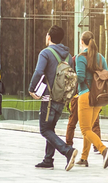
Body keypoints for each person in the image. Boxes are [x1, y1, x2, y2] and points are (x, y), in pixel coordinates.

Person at [29, 25, 78, 171]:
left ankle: (67, 151)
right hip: (61, 98)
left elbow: (39, 72)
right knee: (51, 128)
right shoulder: (68, 56)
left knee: (44, 129)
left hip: (48, 98)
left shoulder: (46, 53)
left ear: (49, 37)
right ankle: (48, 159)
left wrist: (31, 89)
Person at [75, 31, 108, 168]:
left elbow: (79, 77)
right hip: (98, 97)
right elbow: (106, 73)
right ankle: (84, 158)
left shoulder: (81, 57)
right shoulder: (101, 57)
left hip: (85, 94)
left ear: (82, 42)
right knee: (89, 128)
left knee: (85, 130)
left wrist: (71, 76)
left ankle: (104, 150)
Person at [65, 55, 102, 155]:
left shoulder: (77, 59)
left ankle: (69, 144)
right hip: (89, 94)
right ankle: (95, 148)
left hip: (81, 94)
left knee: (79, 124)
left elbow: (73, 77)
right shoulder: (96, 58)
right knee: (92, 123)